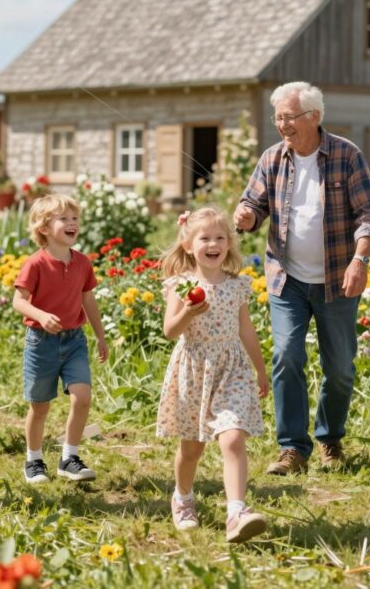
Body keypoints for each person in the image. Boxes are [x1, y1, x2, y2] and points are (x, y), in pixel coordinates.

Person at [234, 81, 370, 474]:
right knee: (286, 354)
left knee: (340, 367)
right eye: (278, 117)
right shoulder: (272, 158)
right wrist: (247, 215)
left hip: (338, 278)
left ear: (314, 117)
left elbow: (369, 215)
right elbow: (252, 202)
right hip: (288, 279)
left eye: (289, 117)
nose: (282, 125)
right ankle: (292, 448)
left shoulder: (346, 156)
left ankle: (330, 438)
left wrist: (360, 261)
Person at [156, 207, 270, 544]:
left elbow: (246, 329)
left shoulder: (237, 286)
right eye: (205, 238)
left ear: (229, 244)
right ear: (189, 244)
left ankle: (237, 511)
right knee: (192, 450)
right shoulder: (183, 285)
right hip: (194, 368)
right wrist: (189, 312)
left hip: (231, 368)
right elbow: (169, 331)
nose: (213, 243)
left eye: (220, 237)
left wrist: (260, 369)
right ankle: (183, 497)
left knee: (233, 438)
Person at [12, 194, 108, 484]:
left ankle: (69, 457)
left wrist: (100, 336)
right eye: (63, 219)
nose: (72, 223)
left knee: (82, 397)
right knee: (39, 407)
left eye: (75, 218)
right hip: (41, 343)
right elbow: (19, 301)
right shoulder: (36, 264)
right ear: (43, 227)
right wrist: (40, 316)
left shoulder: (82, 262)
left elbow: (88, 300)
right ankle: (34, 459)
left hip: (74, 340)